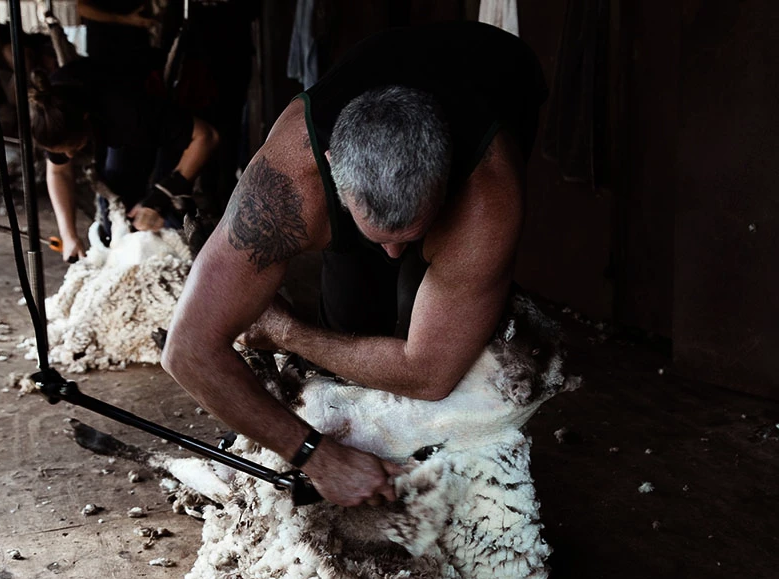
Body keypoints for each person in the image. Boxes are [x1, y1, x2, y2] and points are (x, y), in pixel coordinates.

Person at [162, 20, 547, 508]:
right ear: (331, 170)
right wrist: (317, 456)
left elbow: (429, 372)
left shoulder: (486, 196)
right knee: (349, 316)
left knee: (434, 349)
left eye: (411, 235)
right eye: (379, 237)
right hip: (378, 82)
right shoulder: (284, 188)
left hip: (499, 71)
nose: (392, 253)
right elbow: (187, 351)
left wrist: (286, 331)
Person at [28, 57, 219, 260]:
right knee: (115, 213)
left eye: (73, 148)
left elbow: (207, 137)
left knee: (168, 218)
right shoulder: (51, 109)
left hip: (159, 100)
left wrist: (159, 198)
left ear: (86, 120)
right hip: (112, 117)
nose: (69, 156)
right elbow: (58, 171)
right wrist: (68, 236)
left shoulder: (128, 114)